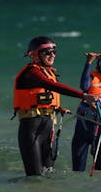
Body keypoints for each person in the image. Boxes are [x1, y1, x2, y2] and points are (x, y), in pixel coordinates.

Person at [13, 36, 95, 176]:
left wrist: (57, 108)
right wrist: (83, 96)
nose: (52, 55)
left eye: (54, 52)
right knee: (35, 177)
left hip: (47, 127)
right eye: (47, 52)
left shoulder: (48, 72)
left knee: (49, 173)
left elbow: (45, 97)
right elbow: (53, 86)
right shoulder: (31, 73)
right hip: (32, 129)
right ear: (35, 55)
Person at [71, 49, 101, 172]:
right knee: (78, 169)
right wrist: (88, 63)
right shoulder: (92, 75)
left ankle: (98, 191)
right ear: (98, 64)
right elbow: (84, 87)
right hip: (84, 124)